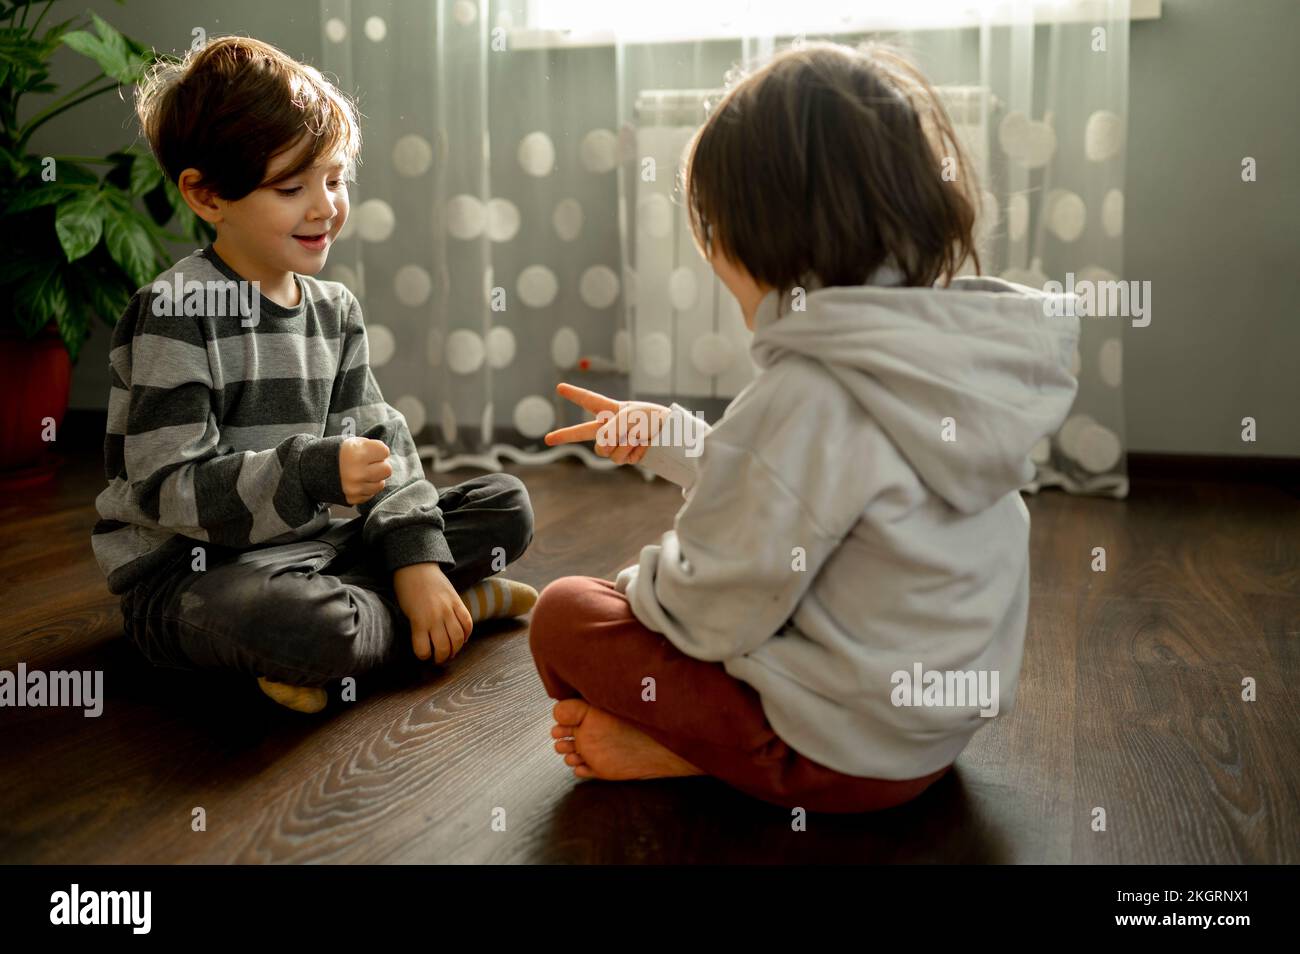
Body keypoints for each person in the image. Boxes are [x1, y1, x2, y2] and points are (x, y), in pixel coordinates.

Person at [530, 41, 1081, 812]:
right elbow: (821, 487)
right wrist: (670, 437)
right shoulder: (938, 355)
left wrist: (638, 585)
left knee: (564, 614)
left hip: (838, 757)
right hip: (932, 737)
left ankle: (697, 753)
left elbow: (707, 608)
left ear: (757, 238)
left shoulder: (808, 392)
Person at [91, 37, 536, 714]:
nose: (325, 206)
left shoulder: (335, 311)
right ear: (207, 195)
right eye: (293, 187)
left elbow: (384, 443)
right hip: (197, 572)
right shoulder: (175, 313)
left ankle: (393, 612)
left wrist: (414, 555)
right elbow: (165, 488)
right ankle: (435, 614)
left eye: (334, 179)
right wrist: (310, 473)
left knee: (506, 504)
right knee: (303, 623)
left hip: (324, 547)